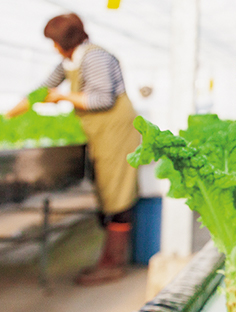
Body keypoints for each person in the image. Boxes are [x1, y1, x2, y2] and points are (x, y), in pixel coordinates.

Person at [4, 13, 141, 285]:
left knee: (118, 196)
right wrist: (11, 114)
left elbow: (102, 98)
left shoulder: (95, 57)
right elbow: (44, 89)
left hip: (116, 132)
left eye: (54, 42)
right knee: (107, 193)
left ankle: (113, 263)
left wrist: (63, 96)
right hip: (100, 134)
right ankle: (110, 260)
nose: (53, 47)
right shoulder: (71, 61)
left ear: (65, 41)